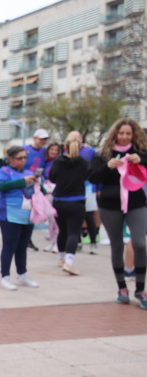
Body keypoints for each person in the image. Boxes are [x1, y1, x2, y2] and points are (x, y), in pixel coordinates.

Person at [88, 118, 147, 309]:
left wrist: (142, 161)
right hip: (110, 204)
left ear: (134, 135)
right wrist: (108, 166)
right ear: (115, 134)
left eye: (128, 134)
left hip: (136, 202)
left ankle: (140, 288)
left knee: (139, 243)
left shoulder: (140, 152)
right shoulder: (103, 154)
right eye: (121, 133)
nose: (124, 137)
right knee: (116, 247)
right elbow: (92, 176)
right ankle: (122, 288)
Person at [0, 146, 41, 290]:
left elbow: (39, 192)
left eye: (24, 158)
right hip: (9, 215)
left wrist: (38, 184)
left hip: (27, 215)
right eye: (19, 158)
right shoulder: (5, 171)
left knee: (22, 246)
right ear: (10, 159)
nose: (23, 161)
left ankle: (22, 275)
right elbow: (1, 186)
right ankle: (5, 276)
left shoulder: (29, 172)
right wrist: (22, 182)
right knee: (9, 246)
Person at [49, 134, 89, 275]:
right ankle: (69, 262)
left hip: (59, 201)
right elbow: (87, 176)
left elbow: (52, 177)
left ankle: (61, 258)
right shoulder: (83, 162)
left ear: (64, 147)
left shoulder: (58, 161)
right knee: (73, 232)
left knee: (62, 231)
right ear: (79, 147)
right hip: (76, 201)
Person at [76, 131, 101, 254]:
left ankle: (93, 243)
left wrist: (99, 186)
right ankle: (78, 241)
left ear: (81, 139)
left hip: (88, 188)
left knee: (89, 216)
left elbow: (99, 165)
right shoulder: (66, 153)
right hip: (74, 190)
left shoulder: (89, 151)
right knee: (76, 217)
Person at [42, 142, 62, 253]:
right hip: (47, 193)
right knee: (50, 220)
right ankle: (52, 242)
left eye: (56, 150)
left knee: (56, 219)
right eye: (52, 149)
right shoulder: (45, 163)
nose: (54, 152)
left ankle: (58, 244)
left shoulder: (59, 162)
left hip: (57, 193)